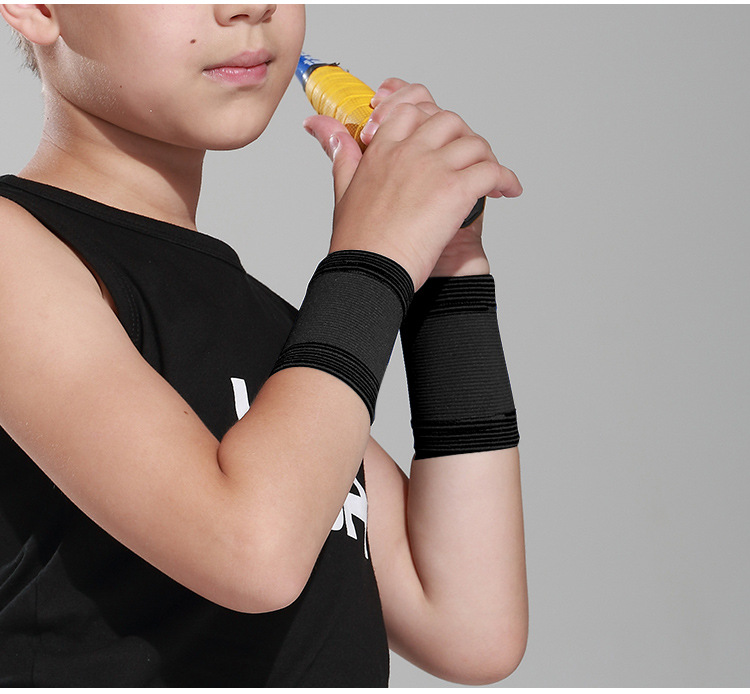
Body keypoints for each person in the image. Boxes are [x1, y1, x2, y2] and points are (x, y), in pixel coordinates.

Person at [0, 4, 527, 687]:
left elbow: (469, 626)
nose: (247, 6)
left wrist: (449, 272)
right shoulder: (13, 256)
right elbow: (253, 552)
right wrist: (376, 258)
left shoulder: (286, 341)